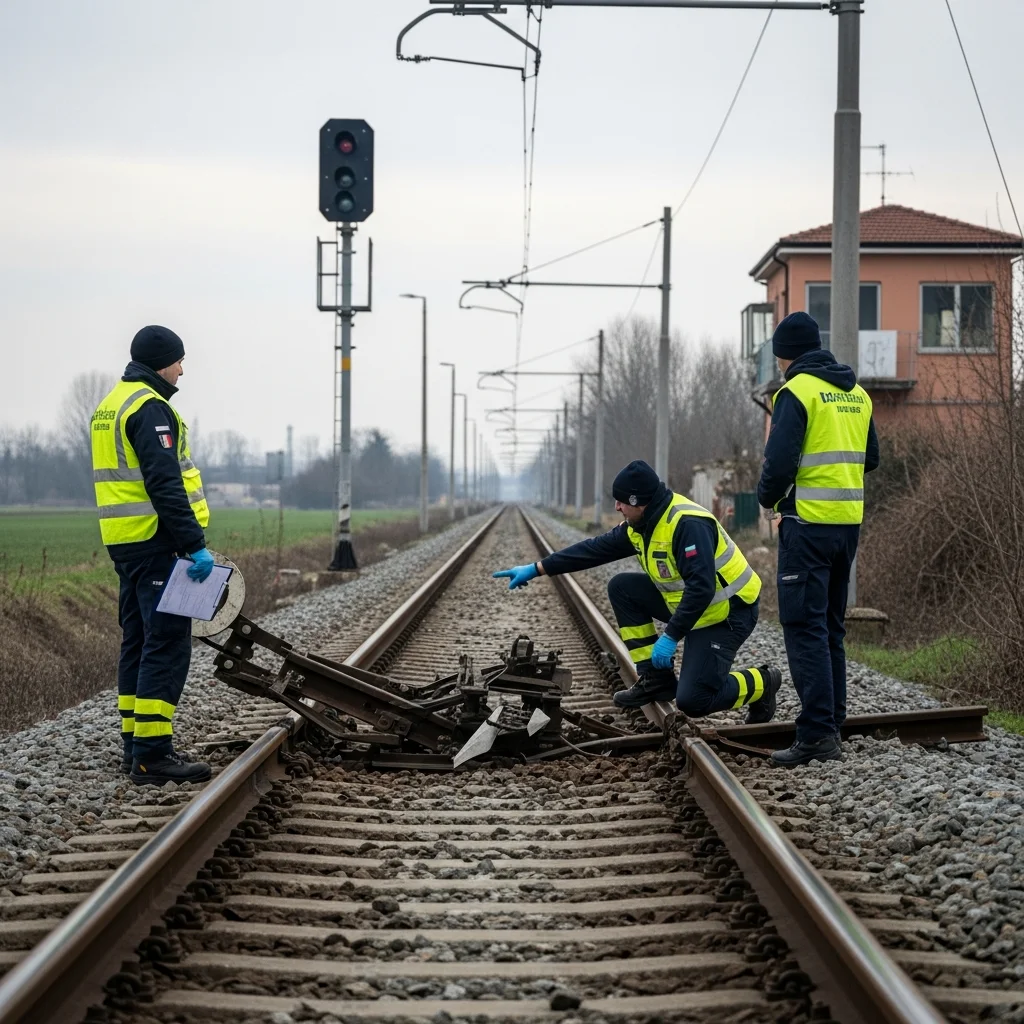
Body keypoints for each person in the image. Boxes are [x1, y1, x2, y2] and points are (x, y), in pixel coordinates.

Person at [493, 460, 781, 722]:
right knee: (622, 587)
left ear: (639, 502)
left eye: (621, 502)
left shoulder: (687, 525)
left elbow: (702, 588)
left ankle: (763, 682)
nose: (617, 507)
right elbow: (593, 550)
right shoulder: (640, 525)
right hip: (694, 609)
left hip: (728, 613)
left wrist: (670, 637)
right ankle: (655, 680)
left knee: (693, 701)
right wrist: (537, 568)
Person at [91, 326, 215, 786]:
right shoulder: (150, 408)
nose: (183, 369)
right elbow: (165, 484)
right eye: (180, 360)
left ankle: (134, 745)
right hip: (156, 540)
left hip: (125, 542)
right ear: (163, 361)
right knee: (166, 643)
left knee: (138, 640)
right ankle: (152, 756)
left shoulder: (110, 405)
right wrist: (194, 545)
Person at [757, 311, 880, 767]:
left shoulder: (796, 391)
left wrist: (770, 499)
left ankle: (817, 736)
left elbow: (779, 462)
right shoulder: (857, 394)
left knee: (804, 627)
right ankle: (833, 721)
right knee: (830, 626)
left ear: (783, 356)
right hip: (847, 524)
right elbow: (871, 458)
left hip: (806, 524)